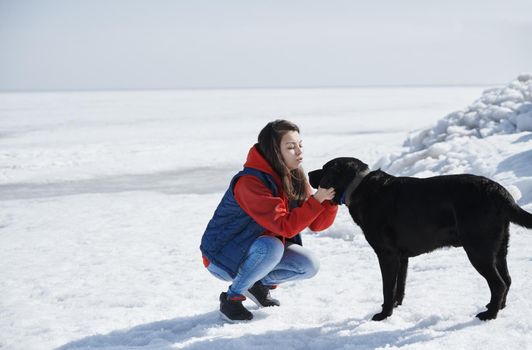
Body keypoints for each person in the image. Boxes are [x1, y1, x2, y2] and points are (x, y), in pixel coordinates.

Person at [200, 119, 338, 322]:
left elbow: (316, 224)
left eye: (300, 145)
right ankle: (232, 298)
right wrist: (316, 200)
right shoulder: (250, 182)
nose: (299, 152)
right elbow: (285, 226)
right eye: (290, 147)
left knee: (308, 264)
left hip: (258, 250)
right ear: (274, 150)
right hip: (221, 256)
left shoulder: (295, 178)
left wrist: (329, 201)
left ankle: (255, 283)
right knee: (272, 245)